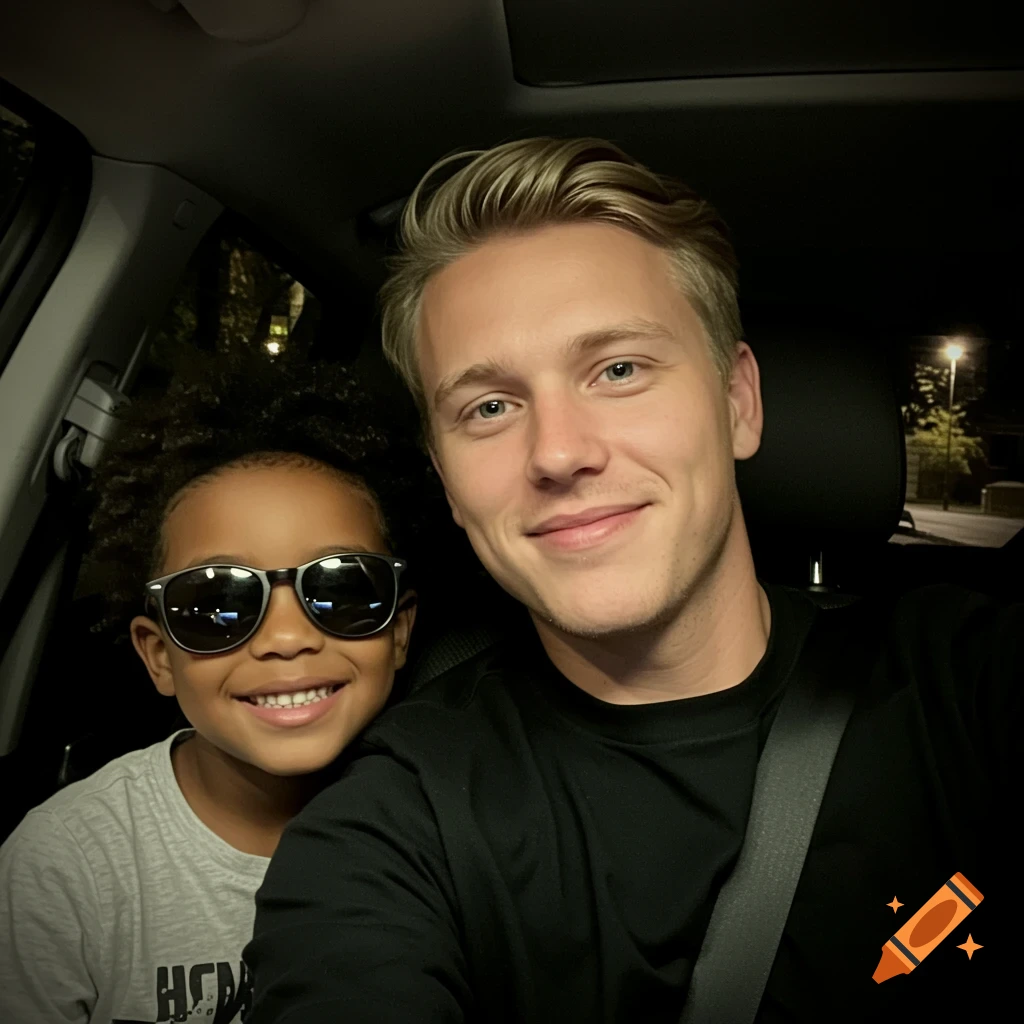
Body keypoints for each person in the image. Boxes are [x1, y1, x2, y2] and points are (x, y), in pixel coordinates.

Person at [245, 138, 1021, 1023]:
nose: (559, 452)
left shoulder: (969, 680)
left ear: (738, 403)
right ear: (445, 478)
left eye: (618, 369)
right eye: (489, 407)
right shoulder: (390, 826)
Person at [0, 349, 425, 1024]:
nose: (287, 637)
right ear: (158, 654)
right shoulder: (65, 870)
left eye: (341, 587)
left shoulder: (448, 829)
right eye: (217, 603)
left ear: (399, 631)